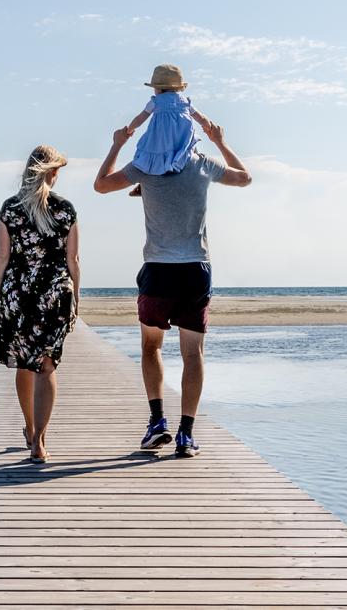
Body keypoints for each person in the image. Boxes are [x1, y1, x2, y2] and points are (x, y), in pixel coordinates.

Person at [93, 108, 251, 458]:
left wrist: (118, 144)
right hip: (195, 268)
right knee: (192, 353)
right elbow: (244, 178)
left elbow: (101, 185)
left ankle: (156, 423)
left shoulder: (144, 166)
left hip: (158, 269)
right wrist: (220, 142)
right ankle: (186, 434)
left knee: (151, 347)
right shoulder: (202, 163)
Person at [0, 145, 81, 463]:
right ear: (52, 172)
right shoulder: (65, 209)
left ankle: (30, 429)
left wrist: (0, 296)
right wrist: (77, 296)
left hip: (21, 294)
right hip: (56, 295)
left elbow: (3, 256)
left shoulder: (10, 209)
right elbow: (73, 259)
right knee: (46, 365)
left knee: (25, 364)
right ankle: (40, 442)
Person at [122, 63, 215, 197]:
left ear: (158, 89)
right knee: (189, 157)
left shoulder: (156, 101)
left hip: (161, 141)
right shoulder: (185, 102)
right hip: (182, 141)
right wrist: (208, 127)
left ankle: (143, 184)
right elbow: (200, 117)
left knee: (147, 160)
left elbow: (141, 118)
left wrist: (129, 129)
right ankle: (191, 184)